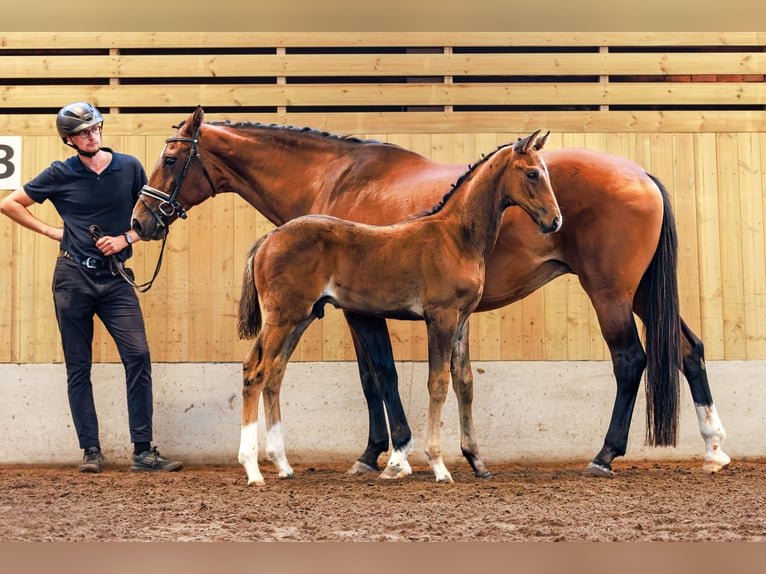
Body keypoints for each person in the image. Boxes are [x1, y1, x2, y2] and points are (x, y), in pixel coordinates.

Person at [0, 102, 182, 474]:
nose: (92, 135)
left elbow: (152, 220)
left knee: (138, 356)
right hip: (72, 279)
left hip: (116, 278)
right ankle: (90, 450)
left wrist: (125, 238)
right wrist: (53, 231)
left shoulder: (128, 166)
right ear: (70, 140)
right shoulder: (59, 173)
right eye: (84, 132)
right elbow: (10, 204)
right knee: (78, 365)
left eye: (96, 128)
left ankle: (144, 450)